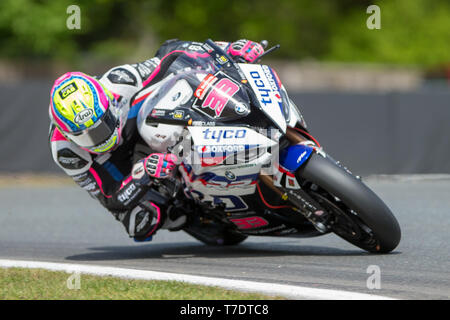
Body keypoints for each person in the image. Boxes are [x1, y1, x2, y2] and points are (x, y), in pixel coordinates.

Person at [48, 39, 265, 242]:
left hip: (140, 123)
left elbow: (172, 52)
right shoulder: (66, 152)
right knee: (139, 222)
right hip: (115, 165)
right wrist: (143, 172)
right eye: (86, 135)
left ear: (108, 103)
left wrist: (227, 49)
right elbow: (110, 197)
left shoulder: (121, 80)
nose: (99, 138)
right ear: (67, 134)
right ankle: (191, 211)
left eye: (102, 124)